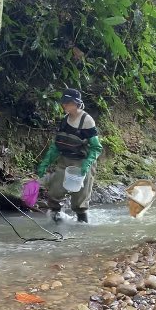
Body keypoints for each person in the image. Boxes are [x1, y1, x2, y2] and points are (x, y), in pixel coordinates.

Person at [36, 88, 103, 223]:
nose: (64, 105)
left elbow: (96, 147)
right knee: (55, 192)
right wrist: (45, 162)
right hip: (65, 161)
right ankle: (55, 220)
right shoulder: (64, 120)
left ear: (76, 103)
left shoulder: (87, 121)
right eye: (64, 103)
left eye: (68, 103)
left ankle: (82, 224)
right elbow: (57, 145)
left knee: (80, 199)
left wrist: (88, 162)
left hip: (82, 162)